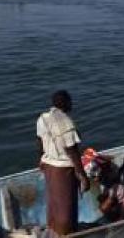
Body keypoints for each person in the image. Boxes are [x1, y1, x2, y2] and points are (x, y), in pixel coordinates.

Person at [37, 90, 90, 236]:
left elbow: (40, 140)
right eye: (70, 101)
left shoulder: (43, 118)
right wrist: (82, 175)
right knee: (66, 205)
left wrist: (41, 158)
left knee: (53, 201)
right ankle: (65, 233)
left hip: (48, 164)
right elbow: (72, 150)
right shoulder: (66, 122)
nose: (71, 104)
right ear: (65, 103)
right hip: (63, 169)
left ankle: (54, 229)